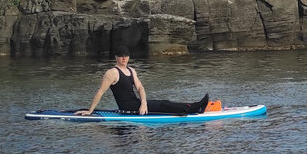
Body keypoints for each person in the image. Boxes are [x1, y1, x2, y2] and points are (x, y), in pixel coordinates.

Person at [74, 46, 211, 115]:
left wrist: (143, 103)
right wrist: (90, 110)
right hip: (128, 107)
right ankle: (194, 108)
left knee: (164, 102)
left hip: (137, 104)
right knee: (163, 104)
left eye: (126, 56)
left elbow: (140, 88)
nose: (124, 58)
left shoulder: (132, 70)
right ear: (116, 57)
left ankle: (195, 106)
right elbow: (100, 92)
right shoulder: (112, 73)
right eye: (121, 56)